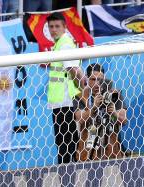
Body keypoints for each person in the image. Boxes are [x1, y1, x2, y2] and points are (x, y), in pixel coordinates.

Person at [46, 12, 85, 164]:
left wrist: (82, 91)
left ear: (64, 27)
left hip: (66, 102)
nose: (53, 29)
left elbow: (74, 70)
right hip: (60, 103)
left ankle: (67, 176)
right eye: (51, 26)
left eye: (57, 26)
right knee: (65, 142)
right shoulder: (59, 44)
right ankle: (67, 175)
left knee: (66, 144)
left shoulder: (65, 44)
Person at [74, 63, 127, 161]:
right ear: (87, 79)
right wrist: (94, 107)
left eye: (100, 80)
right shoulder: (81, 96)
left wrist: (114, 112)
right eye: (93, 79)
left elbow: (123, 121)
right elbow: (80, 119)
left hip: (111, 146)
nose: (97, 83)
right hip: (88, 146)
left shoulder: (114, 95)